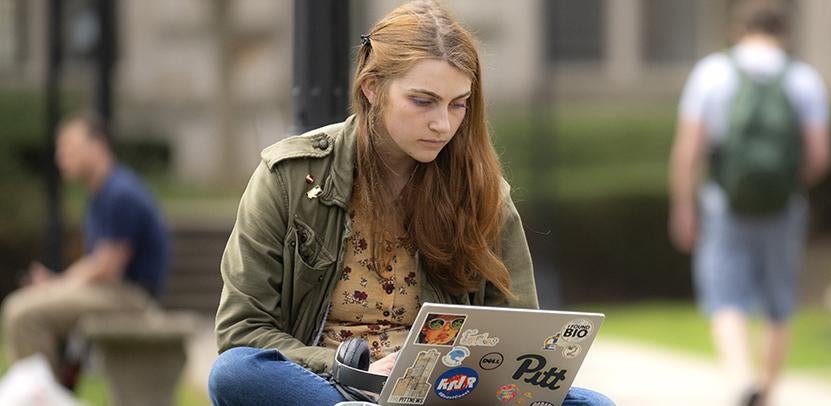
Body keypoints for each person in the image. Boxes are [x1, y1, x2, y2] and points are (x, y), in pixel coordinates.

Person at [206, 2, 613, 405]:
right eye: (423, 101)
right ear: (372, 87)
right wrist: (345, 368)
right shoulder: (290, 177)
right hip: (328, 386)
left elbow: (521, 335)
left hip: (444, 391)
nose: (443, 124)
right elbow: (242, 330)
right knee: (236, 372)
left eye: (458, 104)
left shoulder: (482, 191)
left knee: (594, 405)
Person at [668, 1, 831, 404]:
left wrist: (683, 206)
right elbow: (820, 156)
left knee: (725, 296)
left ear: (738, 30)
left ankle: (741, 381)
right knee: (779, 302)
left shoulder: (713, 73)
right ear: (784, 33)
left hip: (725, 202)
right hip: (783, 206)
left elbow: (688, 151)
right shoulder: (803, 78)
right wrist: (791, 184)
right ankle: (768, 390)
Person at [1, 112, 171, 389]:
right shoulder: (102, 193)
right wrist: (57, 284)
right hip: (113, 292)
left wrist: (58, 285)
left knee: (23, 314)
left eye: (68, 147)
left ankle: (41, 396)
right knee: (23, 308)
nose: (60, 158)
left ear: (97, 145)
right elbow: (98, 263)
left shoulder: (120, 193)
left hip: (130, 297)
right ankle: (49, 390)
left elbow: (107, 267)